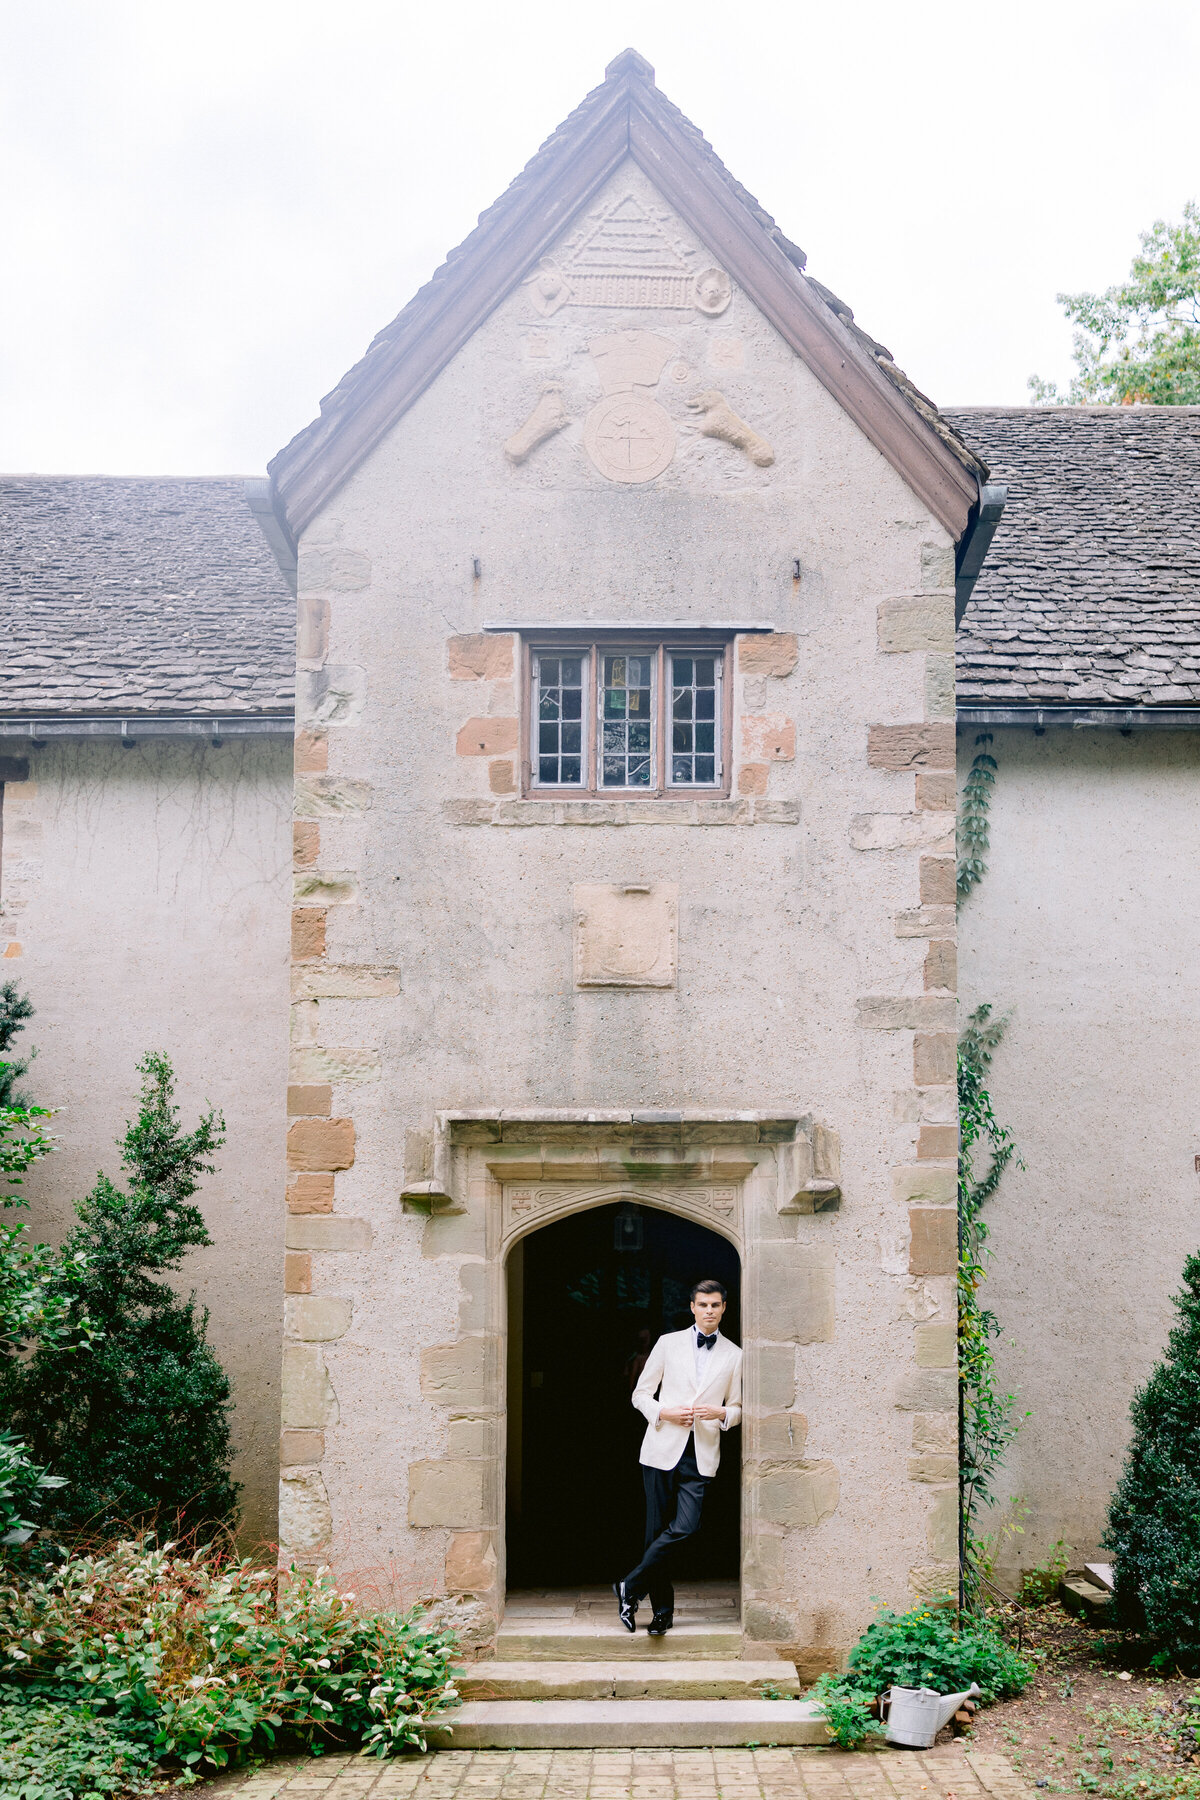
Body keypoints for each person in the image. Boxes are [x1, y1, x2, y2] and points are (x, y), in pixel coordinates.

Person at [613, 1278, 742, 1637]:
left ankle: (629, 1585)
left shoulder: (735, 1355)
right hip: (660, 1449)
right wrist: (665, 1413)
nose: (709, 1311)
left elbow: (738, 1409)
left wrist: (720, 1413)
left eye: (715, 1305)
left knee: (685, 1526)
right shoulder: (668, 1344)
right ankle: (662, 1614)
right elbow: (640, 1394)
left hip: (701, 1454)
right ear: (692, 1307)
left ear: (724, 1308)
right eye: (703, 1305)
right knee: (655, 1531)